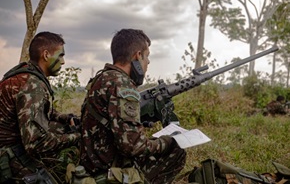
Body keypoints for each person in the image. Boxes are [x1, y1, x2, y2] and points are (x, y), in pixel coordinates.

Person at [80, 28, 186, 184]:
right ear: (138, 55)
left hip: (92, 161)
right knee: (177, 150)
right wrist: (167, 141)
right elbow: (132, 146)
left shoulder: (102, 78)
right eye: (147, 56)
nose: (148, 62)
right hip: (109, 170)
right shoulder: (124, 86)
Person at [0, 31, 80, 183]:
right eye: (61, 55)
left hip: (11, 144)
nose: (63, 62)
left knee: (59, 127)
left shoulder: (24, 74)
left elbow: (35, 110)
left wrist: (64, 117)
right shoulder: (33, 86)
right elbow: (36, 144)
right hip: (6, 154)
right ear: (46, 55)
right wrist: (76, 137)